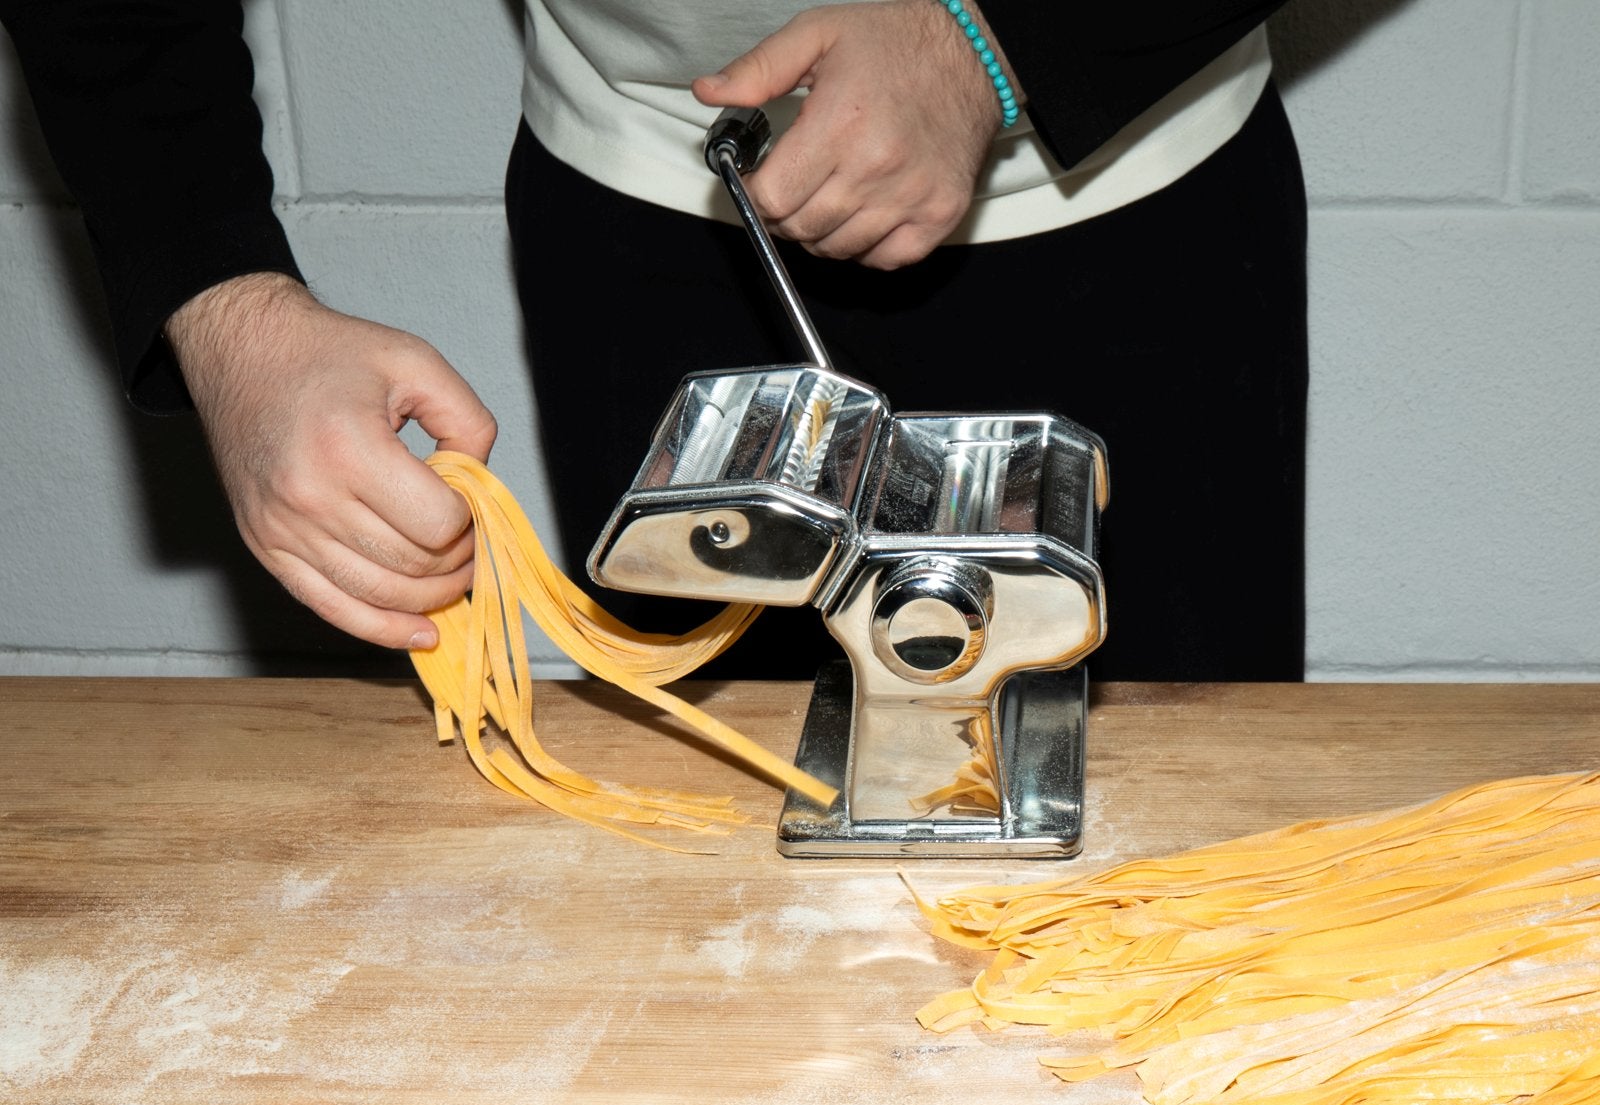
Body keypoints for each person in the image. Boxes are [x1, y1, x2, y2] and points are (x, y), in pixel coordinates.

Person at [2, 0, 1304, 680]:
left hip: (1129, 199)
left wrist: (1004, 32)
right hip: (641, 213)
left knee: (1176, 856)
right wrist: (223, 300)